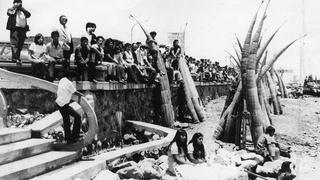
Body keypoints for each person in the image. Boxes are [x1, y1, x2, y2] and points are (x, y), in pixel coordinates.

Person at [56, 76, 83, 144]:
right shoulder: (69, 83)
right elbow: (75, 92)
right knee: (78, 116)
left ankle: (69, 139)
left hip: (59, 103)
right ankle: (75, 136)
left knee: (66, 121)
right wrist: (81, 95)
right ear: (71, 78)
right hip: (64, 104)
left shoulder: (62, 80)